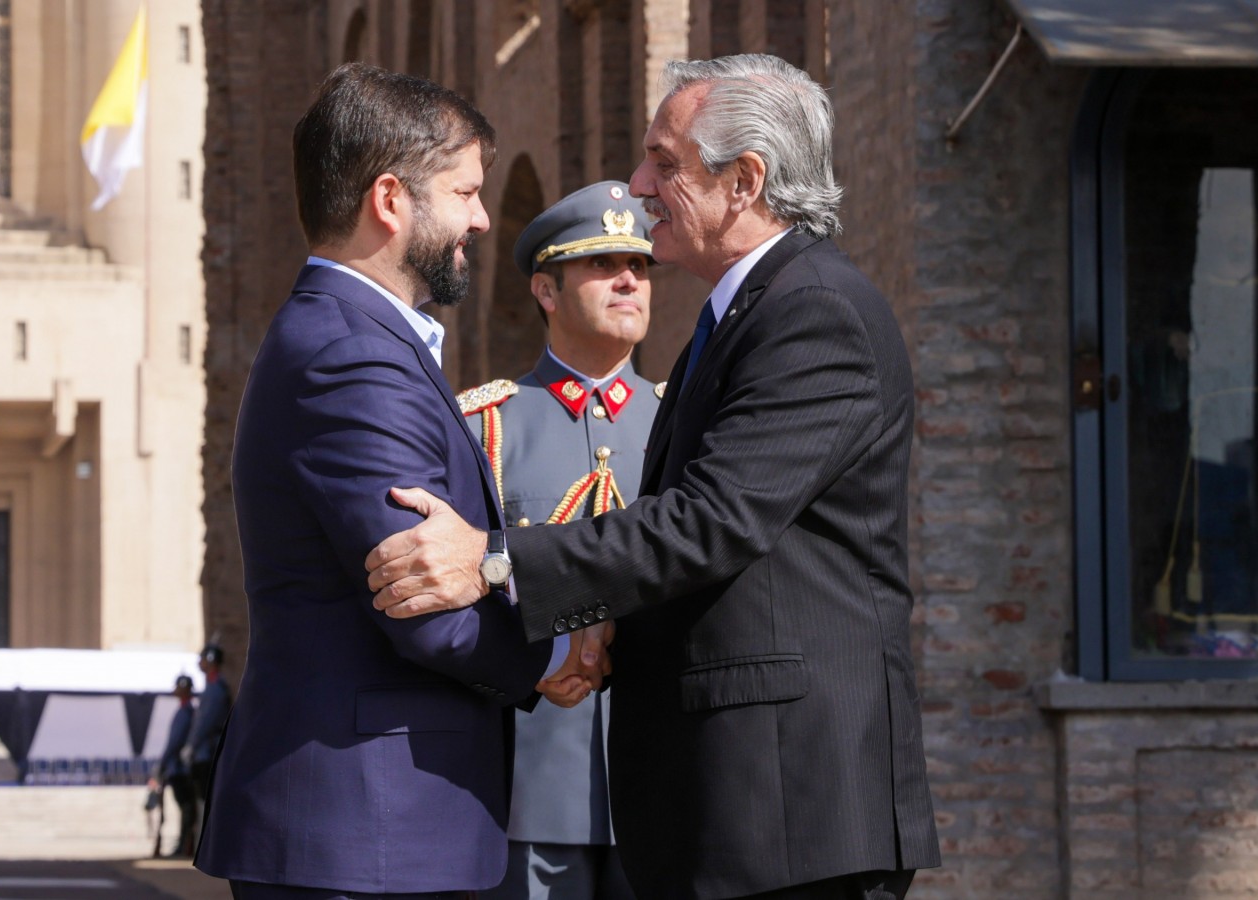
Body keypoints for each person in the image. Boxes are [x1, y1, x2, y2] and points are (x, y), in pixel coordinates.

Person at [367, 54, 940, 899]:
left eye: (665, 164)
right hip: (735, 804)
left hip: (792, 808)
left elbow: (712, 523)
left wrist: (494, 561)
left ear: (745, 181)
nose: (638, 184)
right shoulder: (746, 313)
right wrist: (605, 624)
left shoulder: (813, 313)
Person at [194, 62, 600, 899]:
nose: (482, 218)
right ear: (390, 200)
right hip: (366, 825)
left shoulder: (354, 338)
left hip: (370, 825)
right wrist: (559, 652)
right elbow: (419, 597)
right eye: (463, 192)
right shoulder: (353, 353)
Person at [462, 182, 654, 900]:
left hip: (665, 784)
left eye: (638, 264)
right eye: (602, 264)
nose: (630, 279)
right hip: (528, 786)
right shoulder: (487, 426)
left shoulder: (680, 425)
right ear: (546, 289)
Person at [149, 674, 197, 858]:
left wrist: (163, 764)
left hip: (179, 768)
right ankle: (183, 843)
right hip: (178, 767)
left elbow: (175, 742)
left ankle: (184, 845)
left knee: (185, 807)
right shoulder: (185, 711)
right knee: (184, 807)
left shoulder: (185, 712)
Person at [187, 642, 230, 805]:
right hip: (204, 751)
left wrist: (192, 744)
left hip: (208, 751)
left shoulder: (215, 689)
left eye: (203, 658)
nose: (200, 662)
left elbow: (206, 722)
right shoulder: (211, 687)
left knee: (206, 801)